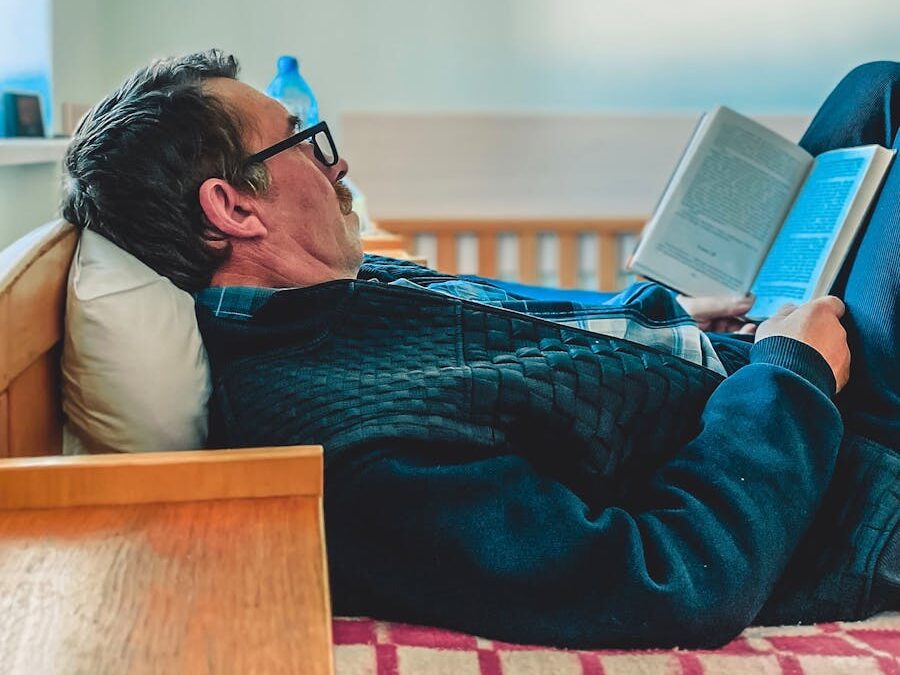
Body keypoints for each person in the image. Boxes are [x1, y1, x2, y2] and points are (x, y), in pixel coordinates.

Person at [61, 50, 898, 648]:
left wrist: (674, 316)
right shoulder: (345, 454)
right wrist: (797, 375)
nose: (336, 159)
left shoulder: (331, 303)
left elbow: (532, 347)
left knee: (873, 92)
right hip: (844, 463)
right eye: (302, 141)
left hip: (752, 367)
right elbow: (672, 575)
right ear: (234, 208)